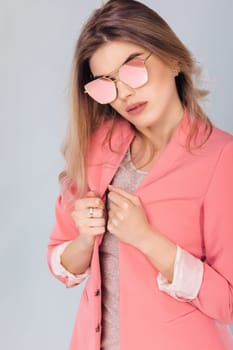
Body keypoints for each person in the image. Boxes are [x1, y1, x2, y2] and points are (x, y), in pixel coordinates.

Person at [47, 0, 233, 349]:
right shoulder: (98, 146)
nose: (124, 92)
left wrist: (146, 238)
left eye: (133, 69)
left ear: (173, 59)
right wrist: (85, 240)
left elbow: (228, 302)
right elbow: (60, 260)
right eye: (106, 84)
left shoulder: (222, 158)